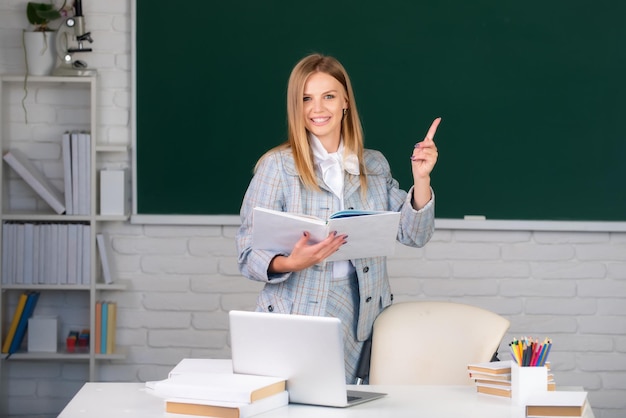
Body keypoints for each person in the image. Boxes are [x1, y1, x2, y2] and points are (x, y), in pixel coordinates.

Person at [236, 53, 440, 383]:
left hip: (362, 316)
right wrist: (290, 263)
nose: (318, 109)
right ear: (296, 107)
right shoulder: (277, 167)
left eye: (328, 96)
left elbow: (414, 234)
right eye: (306, 99)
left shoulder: (374, 166)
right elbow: (247, 255)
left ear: (345, 101)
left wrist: (422, 179)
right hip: (298, 314)